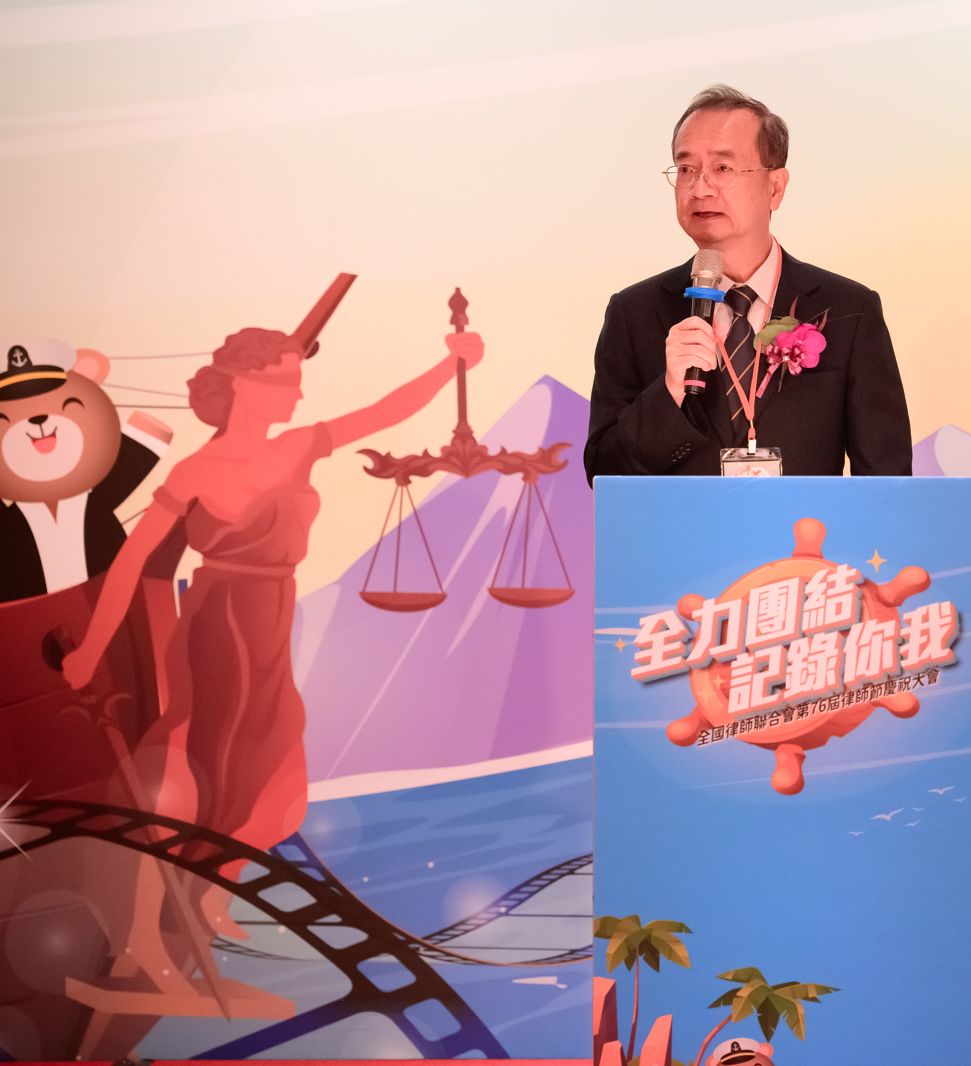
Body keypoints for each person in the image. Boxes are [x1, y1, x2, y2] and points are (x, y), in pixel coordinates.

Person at [62, 326, 483, 856]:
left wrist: (451, 366)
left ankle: (213, 873)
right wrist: (90, 651)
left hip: (270, 619)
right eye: (286, 381)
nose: (299, 393)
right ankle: (193, 867)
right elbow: (130, 562)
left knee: (275, 737)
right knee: (221, 747)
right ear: (242, 383)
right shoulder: (196, 471)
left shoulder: (298, 446)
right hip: (219, 623)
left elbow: (385, 411)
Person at [584, 85, 912, 480]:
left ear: (775, 187)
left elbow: (885, 477)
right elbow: (604, 473)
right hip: (684, 524)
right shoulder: (634, 313)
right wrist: (668, 393)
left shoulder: (848, 310)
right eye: (686, 170)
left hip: (805, 524)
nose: (700, 188)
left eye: (723, 168)